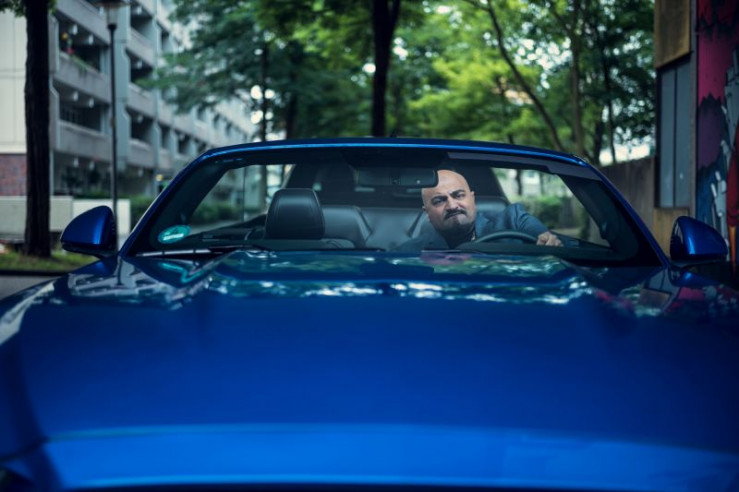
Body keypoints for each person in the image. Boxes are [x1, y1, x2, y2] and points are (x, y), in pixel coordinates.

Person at [397, 170, 563, 251]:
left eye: (458, 195)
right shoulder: (410, 252)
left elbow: (559, 246)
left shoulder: (514, 220)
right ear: (427, 213)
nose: (452, 206)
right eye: (439, 201)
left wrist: (550, 242)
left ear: (473, 199)